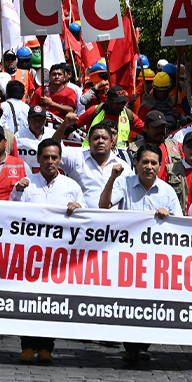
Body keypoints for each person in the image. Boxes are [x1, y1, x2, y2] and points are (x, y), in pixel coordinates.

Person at [99, 143, 182, 364]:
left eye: (154, 163)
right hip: (128, 256)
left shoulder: (167, 191)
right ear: (136, 164)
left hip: (156, 259)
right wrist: (112, 179)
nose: (149, 167)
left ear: (160, 165)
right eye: (144, 162)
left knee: (151, 303)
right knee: (129, 302)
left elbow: (180, 225)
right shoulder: (124, 183)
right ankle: (132, 347)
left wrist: (169, 216)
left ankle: (140, 345)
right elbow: (104, 205)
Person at [10, 139, 83, 364]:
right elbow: (9, 213)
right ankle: (27, 345)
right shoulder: (25, 184)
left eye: (54, 157)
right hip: (30, 254)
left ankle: (46, 346)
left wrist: (78, 209)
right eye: (45, 157)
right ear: (38, 159)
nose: (50, 161)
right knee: (28, 300)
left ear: (60, 159)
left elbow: (86, 219)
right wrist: (17, 190)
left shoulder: (72, 186)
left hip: (59, 256)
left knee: (52, 300)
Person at [55, 118, 132, 208]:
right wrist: (64, 125)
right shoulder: (77, 157)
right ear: (89, 141)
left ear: (111, 142)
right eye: (96, 138)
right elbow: (53, 149)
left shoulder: (124, 168)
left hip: (112, 220)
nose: (100, 141)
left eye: (104, 138)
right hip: (82, 218)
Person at [76, 86, 144, 147]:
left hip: (120, 156)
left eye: (123, 102)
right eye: (117, 103)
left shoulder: (128, 115)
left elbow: (145, 130)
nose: (121, 106)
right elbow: (74, 125)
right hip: (93, 154)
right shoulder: (95, 111)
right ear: (107, 100)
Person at [128, 111, 181, 181]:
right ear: (146, 128)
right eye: (156, 127)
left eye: (163, 127)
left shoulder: (176, 146)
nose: (160, 131)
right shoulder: (133, 149)